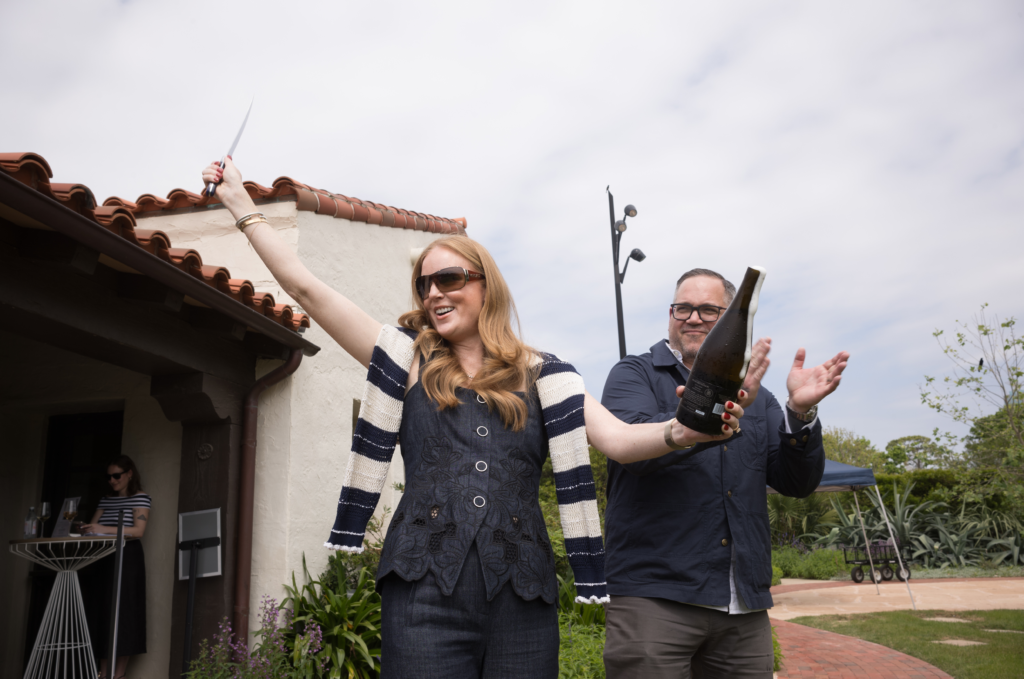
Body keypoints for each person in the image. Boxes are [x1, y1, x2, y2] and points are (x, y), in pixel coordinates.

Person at [200, 159, 747, 679]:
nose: (434, 292)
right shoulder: (405, 358)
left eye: (450, 278)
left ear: (487, 284)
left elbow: (622, 441)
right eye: (424, 284)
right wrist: (239, 203)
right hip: (420, 590)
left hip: (524, 593)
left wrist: (681, 430)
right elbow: (304, 288)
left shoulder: (546, 374)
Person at [600, 268, 849, 678]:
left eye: (708, 310)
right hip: (655, 600)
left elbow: (797, 484)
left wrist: (799, 413)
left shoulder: (761, 399)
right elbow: (634, 455)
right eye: (683, 308)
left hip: (743, 609)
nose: (692, 318)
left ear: (733, 320)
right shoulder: (634, 374)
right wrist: (709, 410)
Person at [81, 455, 151, 679]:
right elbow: (93, 527)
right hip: (103, 557)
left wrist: (102, 528)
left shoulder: (140, 498)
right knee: (104, 612)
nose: (112, 480)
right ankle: (104, 673)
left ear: (129, 473)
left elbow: (138, 531)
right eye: (109, 476)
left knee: (125, 612)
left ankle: (118, 674)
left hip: (127, 557)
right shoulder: (106, 499)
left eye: (117, 475)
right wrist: (85, 529)